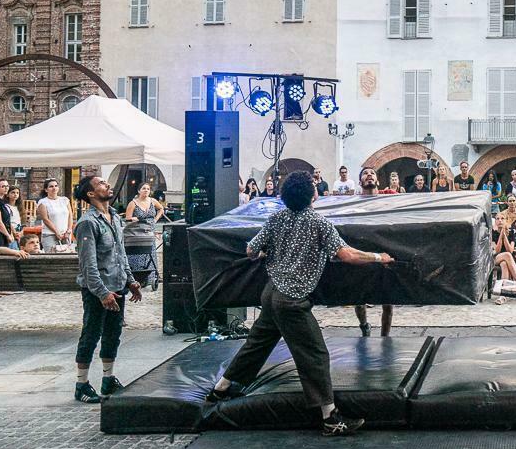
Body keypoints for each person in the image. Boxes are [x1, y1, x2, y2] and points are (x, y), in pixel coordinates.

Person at [205, 172, 393, 435]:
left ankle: (219, 390)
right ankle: (330, 418)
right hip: (291, 302)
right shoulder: (318, 223)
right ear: (312, 195)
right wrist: (378, 257)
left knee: (256, 345)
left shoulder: (276, 218)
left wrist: (264, 252)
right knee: (314, 355)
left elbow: (250, 251)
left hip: (271, 294)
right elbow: (347, 255)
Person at [71, 175, 141, 403]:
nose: (107, 185)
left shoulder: (115, 219)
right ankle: (81, 384)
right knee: (91, 334)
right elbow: (88, 265)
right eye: (101, 184)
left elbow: (120, 255)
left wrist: (130, 281)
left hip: (118, 286)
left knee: (113, 334)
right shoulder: (87, 223)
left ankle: (108, 379)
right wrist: (102, 293)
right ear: (91, 194)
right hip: (97, 290)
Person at [122, 182, 160, 289]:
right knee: (138, 253)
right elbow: (128, 220)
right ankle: (136, 278)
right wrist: (134, 219)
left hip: (149, 231)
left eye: (148, 189)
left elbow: (161, 209)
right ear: (139, 191)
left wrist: (155, 220)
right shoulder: (133, 203)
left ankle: (150, 278)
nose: (146, 190)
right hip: (137, 232)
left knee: (150, 252)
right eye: (144, 188)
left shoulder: (153, 201)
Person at [34, 178, 73, 252]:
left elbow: (70, 216)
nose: (54, 188)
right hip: (49, 234)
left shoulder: (65, 200)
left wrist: (69, 230)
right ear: (46, 190)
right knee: (51, 257)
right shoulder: (43, 202)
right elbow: (45, 219)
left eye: (56, 186)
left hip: (65, 234)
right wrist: (56, 232)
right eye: (51, 186)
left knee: (66, 257)